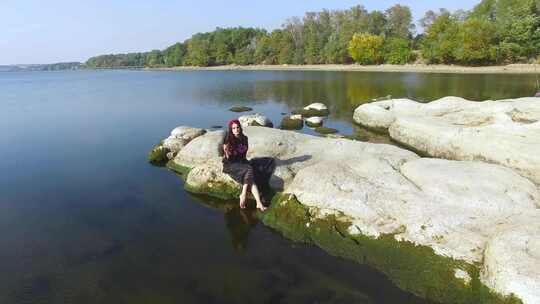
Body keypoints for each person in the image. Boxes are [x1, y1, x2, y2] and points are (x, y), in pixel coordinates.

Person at [222, 119, 274, 211]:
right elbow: (229, 159)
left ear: (240, 128)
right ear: (231, 130)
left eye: (237, 127)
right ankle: (244, 193)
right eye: (233, 128)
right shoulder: (229, 140)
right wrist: (226, 152)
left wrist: (244, 163)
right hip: (231, 165)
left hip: (242, 162)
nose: (236, 129)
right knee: (249, 170)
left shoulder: (244, 138)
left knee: (255, 171)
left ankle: (258, 203)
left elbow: (244, 154)